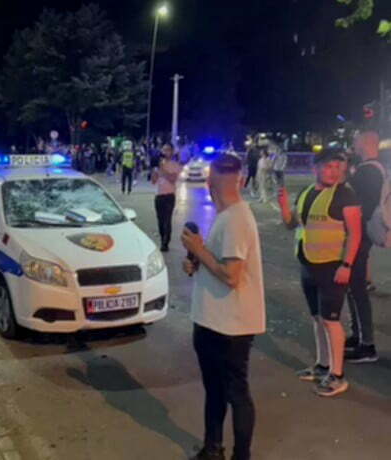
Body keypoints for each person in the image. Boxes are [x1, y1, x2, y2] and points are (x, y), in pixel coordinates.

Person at [181, 154, 265, 460]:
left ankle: (241, 455)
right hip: (214, 320)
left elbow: (231, 275)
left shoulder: (236, 219)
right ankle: (212, 448)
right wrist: (197, 261)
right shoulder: (228, 215)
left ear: (208, 182)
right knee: (216, 390)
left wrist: (198, 249)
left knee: (235, 393)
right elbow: (219, 264)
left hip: (230, 326)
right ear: (240, 180)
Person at [277, 148, 361, 397]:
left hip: (332, 267)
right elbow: (291, 224)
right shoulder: (306, 192)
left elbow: (355, 233)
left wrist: (347, 265)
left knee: (331, 320)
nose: (334, 172)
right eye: (328, 166)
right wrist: (283, 205)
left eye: (337, 167)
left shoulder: (344, 194)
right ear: (316, 168)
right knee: (317, 318)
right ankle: (322, 365)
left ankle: (337, 375)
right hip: (308, 264)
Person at [345, 131, 383, 362]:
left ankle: (366, 345)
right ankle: (358, 335)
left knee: (357, 289)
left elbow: (360, 205)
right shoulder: (376, 168)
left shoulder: (367, 171)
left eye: (356, 140)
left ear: (366, 143)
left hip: (359, 235)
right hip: (362, 234)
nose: (353, 144)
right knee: (354, 287)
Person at [151, 143, 182, 252]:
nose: (165, 152)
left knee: (167, 220)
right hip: (159, 195)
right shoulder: (159, 165)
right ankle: (162, 239)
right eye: (164, 150)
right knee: (160, 220)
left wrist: (162, 170)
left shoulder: (175, 165)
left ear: (172, 152)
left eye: (168, 150)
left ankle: (165, 243)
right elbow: (153, 181)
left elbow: (172, 179)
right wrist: (155, 170)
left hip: (169, 195)